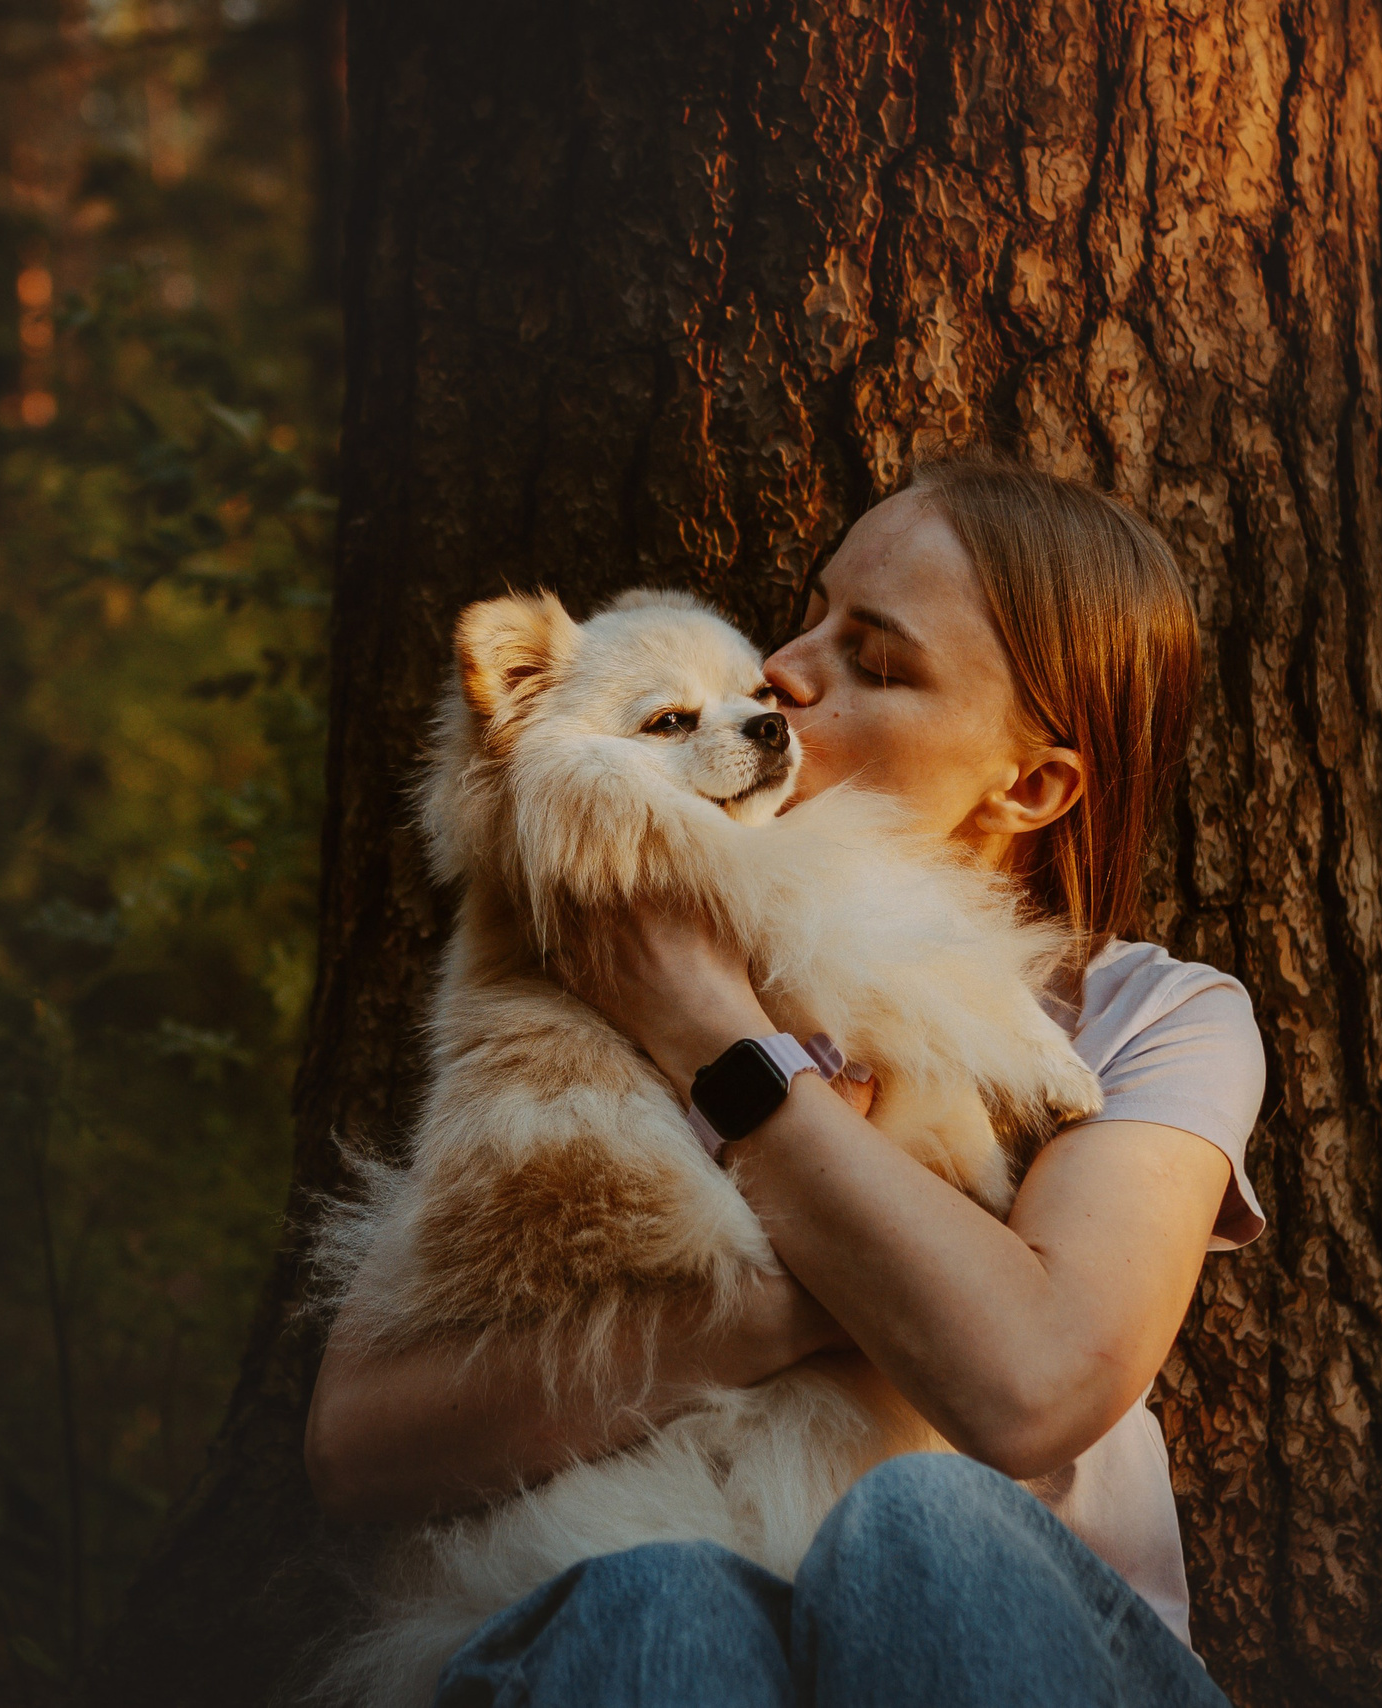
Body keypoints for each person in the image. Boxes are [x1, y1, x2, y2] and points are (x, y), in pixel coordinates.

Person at [304, 452, 1269, 1706]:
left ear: (1029, 785)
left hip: (1027, 1634)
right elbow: (358, 1442)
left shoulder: (1152, 1017)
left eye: (875, 661)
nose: (784, 671)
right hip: (688, 1614)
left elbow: (1031, 1388)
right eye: (810, 615)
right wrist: (784, 1307)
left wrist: (709, 1032)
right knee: (651, 1600)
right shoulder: (572, 953)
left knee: (919, 1524)